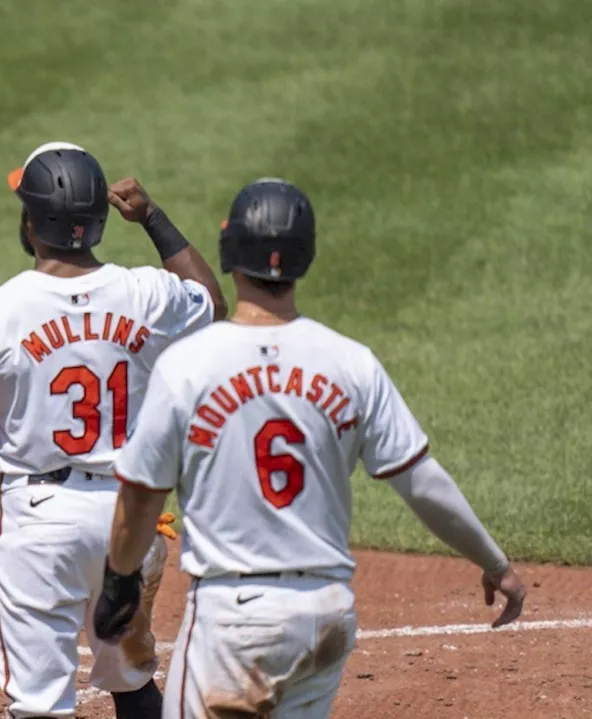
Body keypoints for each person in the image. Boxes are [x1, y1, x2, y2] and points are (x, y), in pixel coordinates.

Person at [92, 177, 526, 718]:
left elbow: (139, 496)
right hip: (325, 617)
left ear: (228, 251)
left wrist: (118, 581)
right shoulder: (350, 362)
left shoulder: (190, 365)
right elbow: (421, 481)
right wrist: (495, 563)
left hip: (234, 622)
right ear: (306, 256)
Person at [0, 141, 228, 718]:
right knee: (132, 682)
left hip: (42, 524)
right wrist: (154, 218)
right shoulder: (147, 293)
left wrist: (0, 418)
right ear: (98, 220)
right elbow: (212, 303)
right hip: (132, 521)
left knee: (39, 705)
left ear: (32, 222)